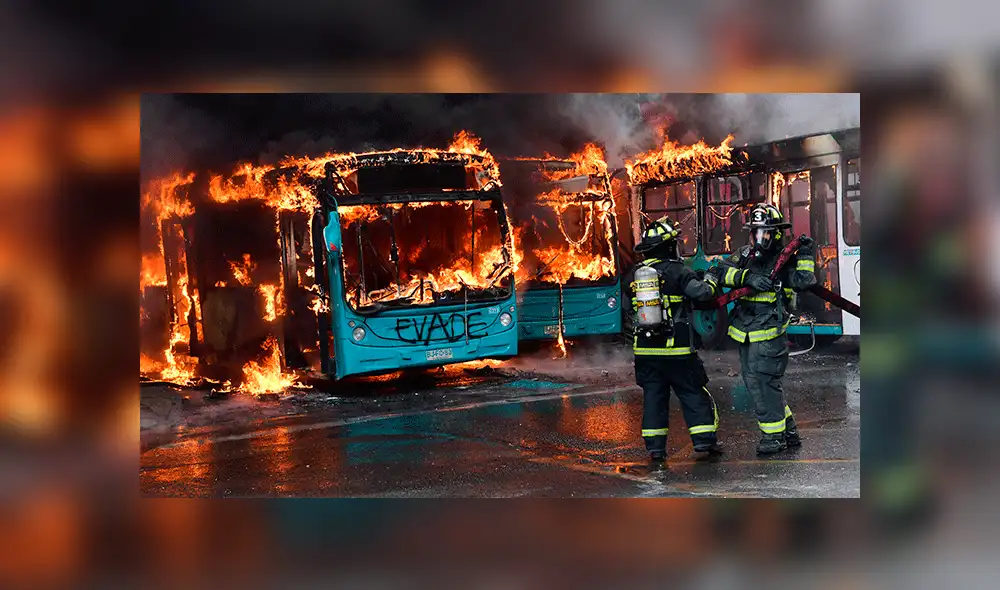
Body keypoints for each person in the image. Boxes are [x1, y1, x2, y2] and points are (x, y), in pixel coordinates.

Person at [713, 203, 817, 454]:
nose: (759, 240)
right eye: (756, 233)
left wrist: (805, 255)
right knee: (759, 383)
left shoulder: (784, 261)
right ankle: (788, 430)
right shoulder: (745, 255)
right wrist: (746, 277)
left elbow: (805, 280)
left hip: (769, 334)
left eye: (766, 234)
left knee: (763, 383)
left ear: (777, 234)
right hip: (746, 333)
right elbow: (719, 270)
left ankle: (774, 438)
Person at [626, 216, 723, 466]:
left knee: (654, 399)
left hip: (646, 354)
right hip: (678, 351)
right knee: (692, 394)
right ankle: (704, 442)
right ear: (669, 246)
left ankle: (655, 449)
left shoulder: (635, 275)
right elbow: (702, 293)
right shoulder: (679, 271)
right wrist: (712, 277)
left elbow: (628, 307)